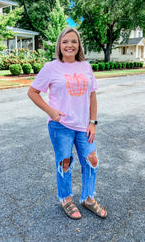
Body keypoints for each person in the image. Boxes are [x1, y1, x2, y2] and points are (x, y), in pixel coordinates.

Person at [27, 27, 107, 220]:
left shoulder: (85, 67)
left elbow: (92, 95)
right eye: (65, 42)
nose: (69, 45)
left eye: (74, 41)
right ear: (59, 45)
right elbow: (32, 92)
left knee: (92, 161)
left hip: (83, 125)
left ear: (79, 45)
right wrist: (50, 111)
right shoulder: (50, 68)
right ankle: (65, 198)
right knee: (65, 163)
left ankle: (88, 198)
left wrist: (93, 122)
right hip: (60, 126)